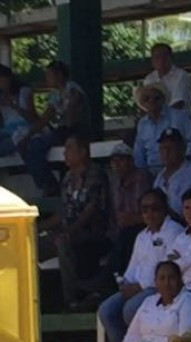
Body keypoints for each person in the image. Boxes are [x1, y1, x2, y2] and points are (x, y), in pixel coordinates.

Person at [97, 190, 184, 342]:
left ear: (164, 209)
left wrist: (139, 288)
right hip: (136, 287)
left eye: (155, 208)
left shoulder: (174, 232)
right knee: (106, 310)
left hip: (159, 288)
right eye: (145, 209)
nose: (150, 213)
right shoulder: (142, 236)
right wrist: (125, 284)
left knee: (130, 309)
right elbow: (133, 266)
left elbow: (170, 269)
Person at [38, 133, 111, 311]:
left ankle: (72, 300)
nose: (65, 154)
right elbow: (64, 212)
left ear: (83, 152)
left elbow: (91, 210)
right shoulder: (68, 178)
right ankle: (38, 299)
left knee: (62, 244)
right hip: (67, 230)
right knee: (30, 245)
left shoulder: (97, 174)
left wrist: (68, 232)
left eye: (69, 149)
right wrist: (36, 228)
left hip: (93, 233)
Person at [21, 61, 90, 196]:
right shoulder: (55, 95)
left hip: (76, 130)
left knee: (37, 145)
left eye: (49, 75)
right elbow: (45, 118)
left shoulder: (72, 89)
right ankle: (48, 183)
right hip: (63, 130)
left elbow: (73, 117)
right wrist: (28, 135)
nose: (47, 78)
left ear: (58, 75)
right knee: (30, 146)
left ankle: (49, 185)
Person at [133, 84, 191, 173]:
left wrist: (180, 155)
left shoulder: (179, 116)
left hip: (180, 171)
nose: (152, 101)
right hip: (152, 174)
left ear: (163, 99)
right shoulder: (142, 124)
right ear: (143, 103)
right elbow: (139, 154)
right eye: (146, 99)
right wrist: (142, 174)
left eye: (156, 98)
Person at [107, 142, 153, 277]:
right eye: (114, 160)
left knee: (127, 236)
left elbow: (149, 210)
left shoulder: (143, 179)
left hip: (142, 226)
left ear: (131, 161)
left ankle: (113, 279)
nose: (117, 164)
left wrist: (133, 219)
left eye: (121, 160)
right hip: (119, 229)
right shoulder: (114, 182)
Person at [152, 127, 191, 217]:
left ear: (182, 149)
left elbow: (186, 212)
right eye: (163, 148)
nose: (166, 153)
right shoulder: (159, 178)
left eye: (170, 148)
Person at [144, 43, 191, 110]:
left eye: (164, 57)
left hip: (179, 119)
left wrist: (160, 117)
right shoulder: (149, 79)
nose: (161, 61)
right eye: (157, 57)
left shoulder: (181, 76)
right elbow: (146, 104)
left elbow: (179, 103)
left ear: (171, 58)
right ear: (152, 60)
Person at [0, 64, 34, 157]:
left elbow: (32, 118)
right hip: (6, 130)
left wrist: (14, 106)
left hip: (22, 131)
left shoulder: (24, 91)